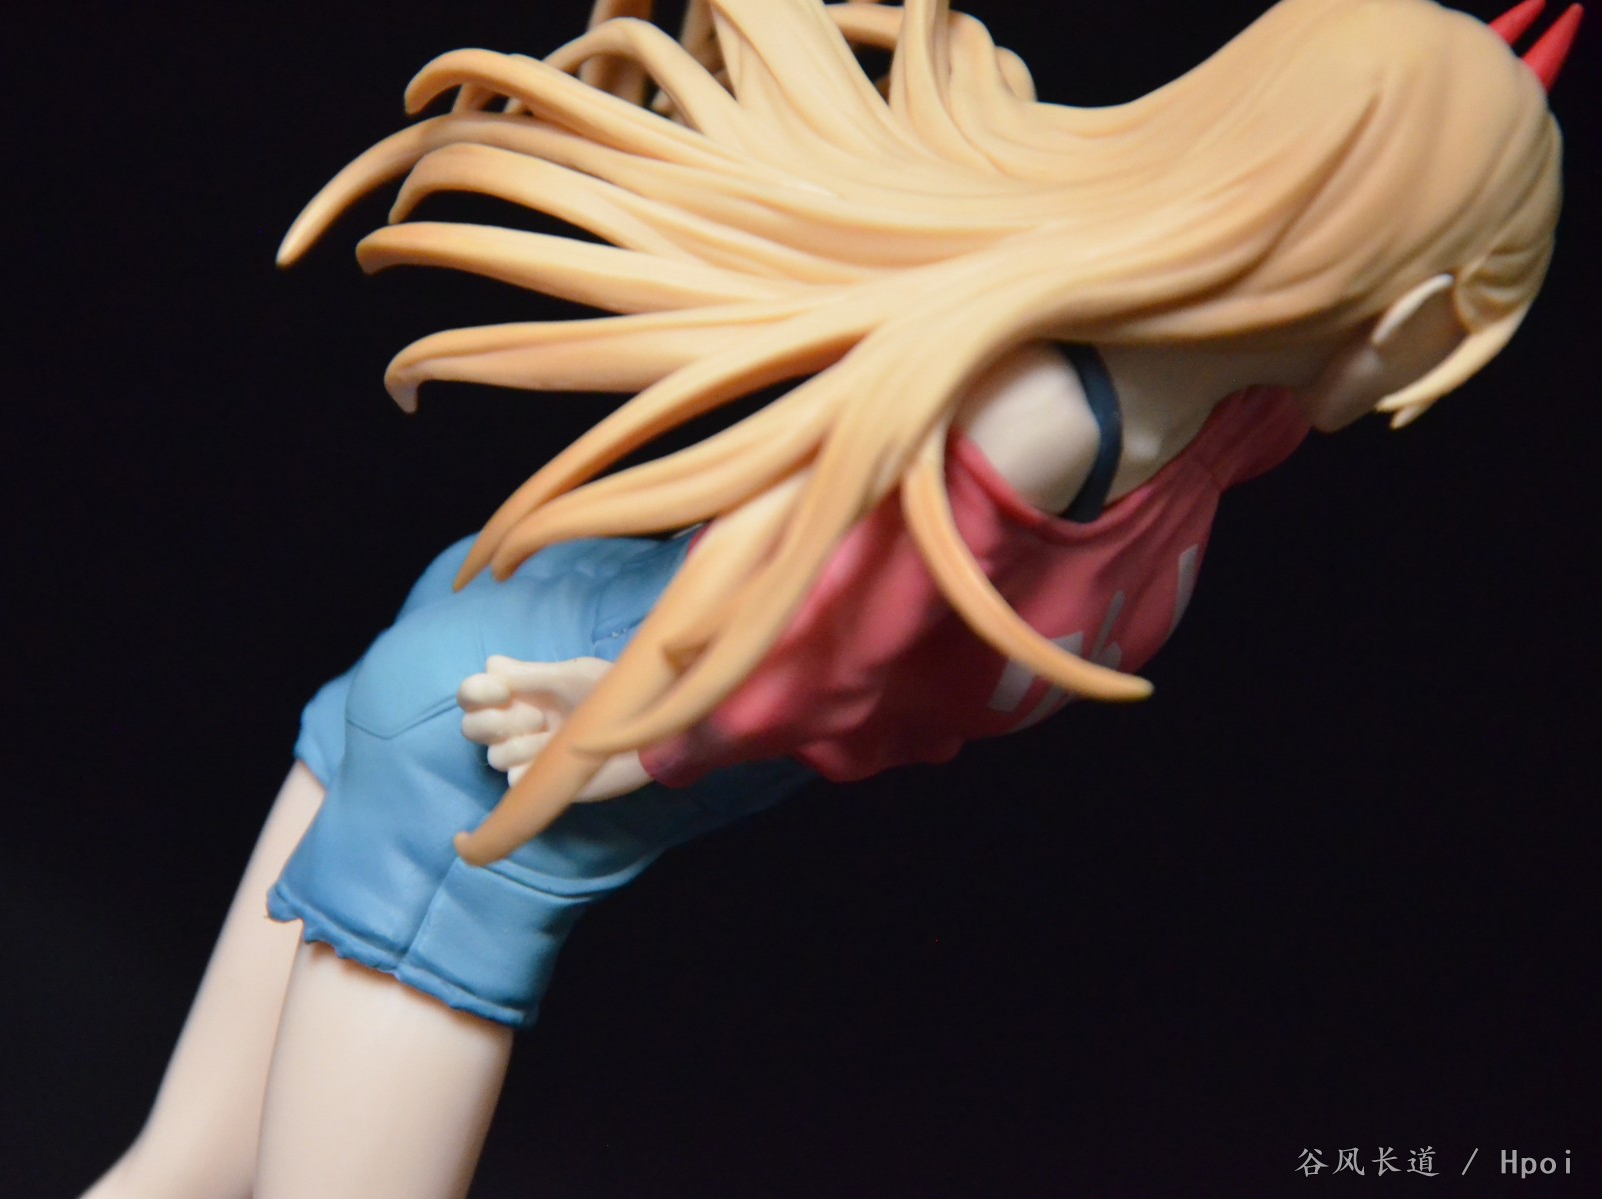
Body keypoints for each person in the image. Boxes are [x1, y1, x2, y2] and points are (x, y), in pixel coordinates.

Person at [81, 1, 1575, 1195]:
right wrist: (636, 724)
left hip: (536, 707)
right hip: (495, 762)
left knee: (189, 1170)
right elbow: (795, 576)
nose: (1431, 373)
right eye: (1459, 311)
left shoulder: (1236, 414)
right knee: (197, 1173)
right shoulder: (1042, 418)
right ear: (1405, 299)